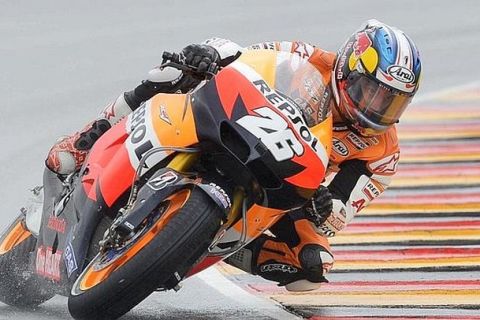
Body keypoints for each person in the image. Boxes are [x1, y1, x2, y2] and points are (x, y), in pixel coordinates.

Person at [41, 19, 422, 291]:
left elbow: (340, 212)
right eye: (371, 91)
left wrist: (325, 205)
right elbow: (247, 57)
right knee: (176, 72)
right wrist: (211, 53)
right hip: (241, 125)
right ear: (346, 70)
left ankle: (197, 248)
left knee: (312, 265)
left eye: (391, 101)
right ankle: (90, 136)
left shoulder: (382, 153)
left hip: (287, 185)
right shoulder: (309, 59)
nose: (376, 107)